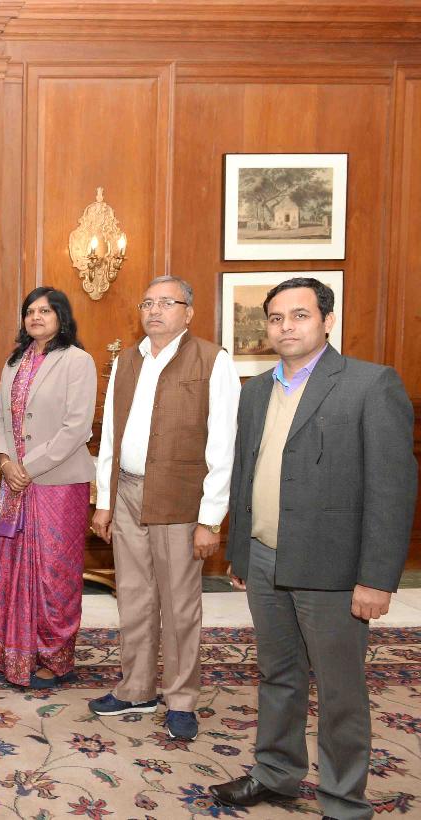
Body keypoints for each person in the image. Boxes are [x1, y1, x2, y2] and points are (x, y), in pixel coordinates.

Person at [209, 278, 416, 819]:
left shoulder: (370, 384)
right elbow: (246, 473)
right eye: (276, 318)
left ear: (327, 320)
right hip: (264, 559)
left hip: (333, 569)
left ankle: (343, 801)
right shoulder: (255, 390)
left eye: (299, 315)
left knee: (340, 690)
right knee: (277, 675)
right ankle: (276, 773)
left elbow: (392, 490)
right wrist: (239, 552)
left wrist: (377, 578)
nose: (286, 327)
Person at [89, 275, 241, 741]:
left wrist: (210, 518)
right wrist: (104, 501)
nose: (154, 311)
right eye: (147, 303)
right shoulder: (127, 360)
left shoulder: (213, 360)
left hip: (180, 499)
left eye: (166, 303)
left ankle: (181, 699)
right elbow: (111, 434)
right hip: (128, 494)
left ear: (188, 312)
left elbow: (224, 445)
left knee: (179, 606)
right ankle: (136, 688)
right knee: (134, 598)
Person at [0, 286, 96, 688]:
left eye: (46, 311)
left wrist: (27, 468)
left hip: (58, 485)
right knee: (14, 569)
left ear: (61, 317)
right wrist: (4, 462)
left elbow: (77, 428)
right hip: (16, 482)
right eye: (30, 310)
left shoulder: (77, 361)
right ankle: (16, 652)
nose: (36, 317)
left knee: (54, 575)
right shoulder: (14, 362)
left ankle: (55, 656)